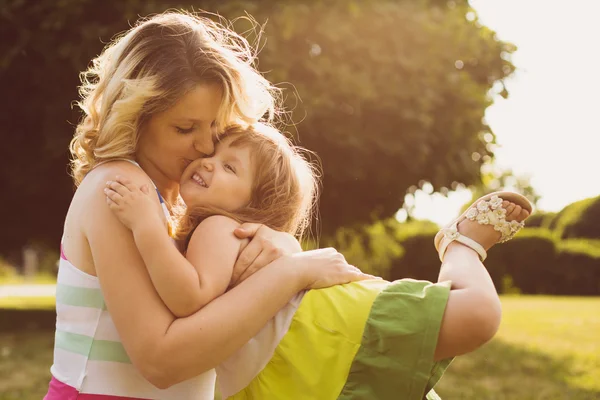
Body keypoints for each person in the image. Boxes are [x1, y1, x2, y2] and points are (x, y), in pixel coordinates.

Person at [44, 11, 370, 400]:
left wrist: (275, 244)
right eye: (185, 129)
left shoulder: (184, 202)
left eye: (214, 128)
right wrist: (292, 273)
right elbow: (160, 362)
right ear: (135, 116)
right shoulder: (122, 189)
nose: (204, 147)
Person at [104, 123, 533, 400]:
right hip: (302, 365)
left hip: (335, 330)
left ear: (254, 206)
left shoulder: (218, 227)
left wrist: (145, 227)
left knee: (478, 315)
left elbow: (189, 297)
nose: (207, 164)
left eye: (230, 167)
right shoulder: (204, 231)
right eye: (213, 156)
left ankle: (459, 246)